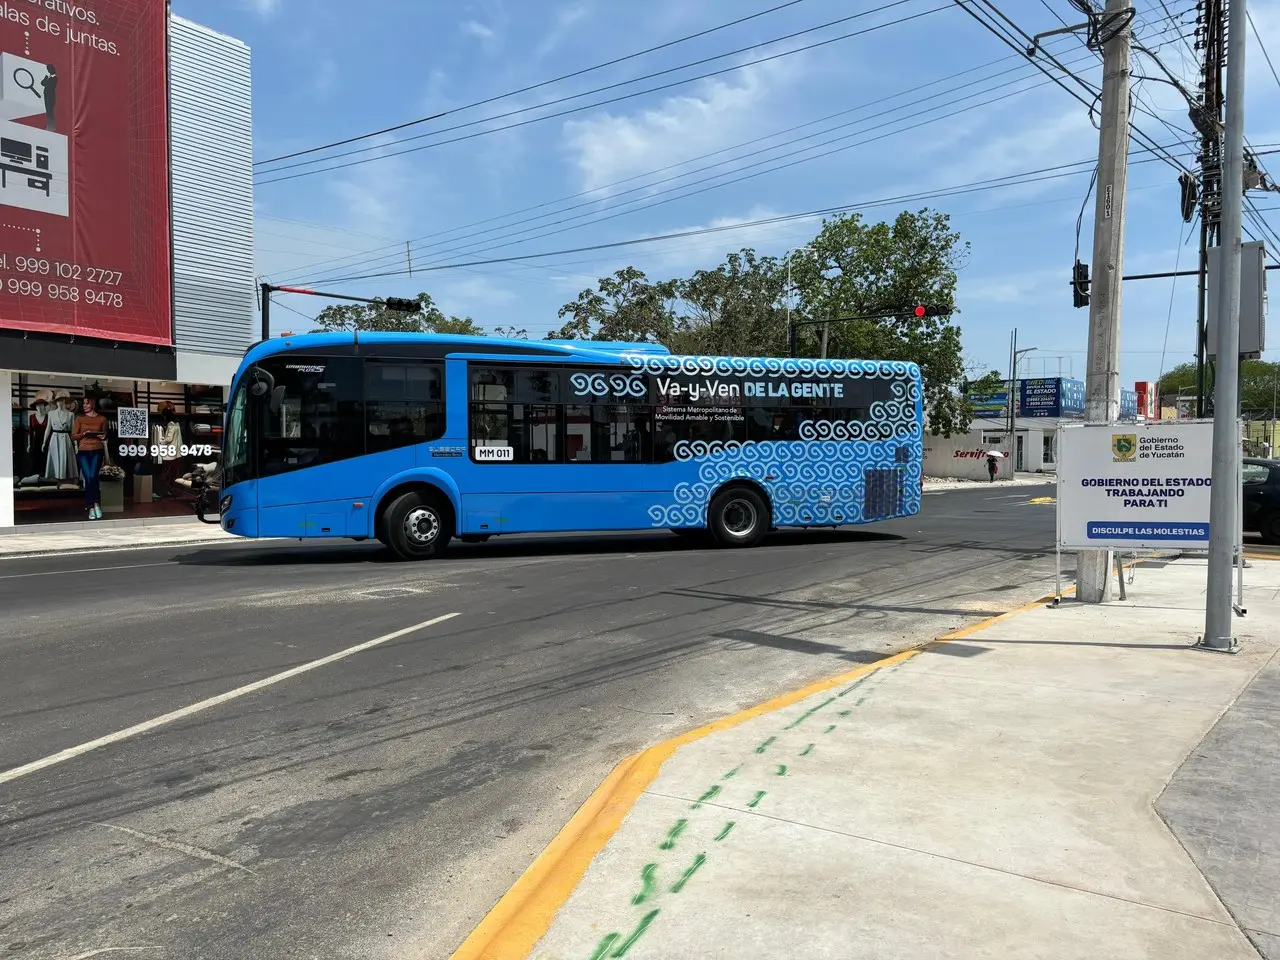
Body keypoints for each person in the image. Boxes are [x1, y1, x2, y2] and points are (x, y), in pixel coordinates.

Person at [71, 395, 108, 519]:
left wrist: (103, 437)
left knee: (93, 476)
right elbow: (73, 436)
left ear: (93, 403)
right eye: (83, 404)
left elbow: (105, 435)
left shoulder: (102, 419)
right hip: (83, 451)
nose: (84, 406)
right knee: (88, 478)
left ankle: (94, 504)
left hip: (97, 450)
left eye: (86, 403)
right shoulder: (79, 419)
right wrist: (83, 434)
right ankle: (93, 506)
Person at [40, 65, 57, 132]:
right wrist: (45, 78)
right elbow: (42, 83)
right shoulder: (48, 77)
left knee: (50, 112)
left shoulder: (55, 79)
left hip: (51, 97)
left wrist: (46, 80)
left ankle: (51, 126)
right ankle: (49, 126)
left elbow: (47, 85)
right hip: (46, 96)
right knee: (48, 111)